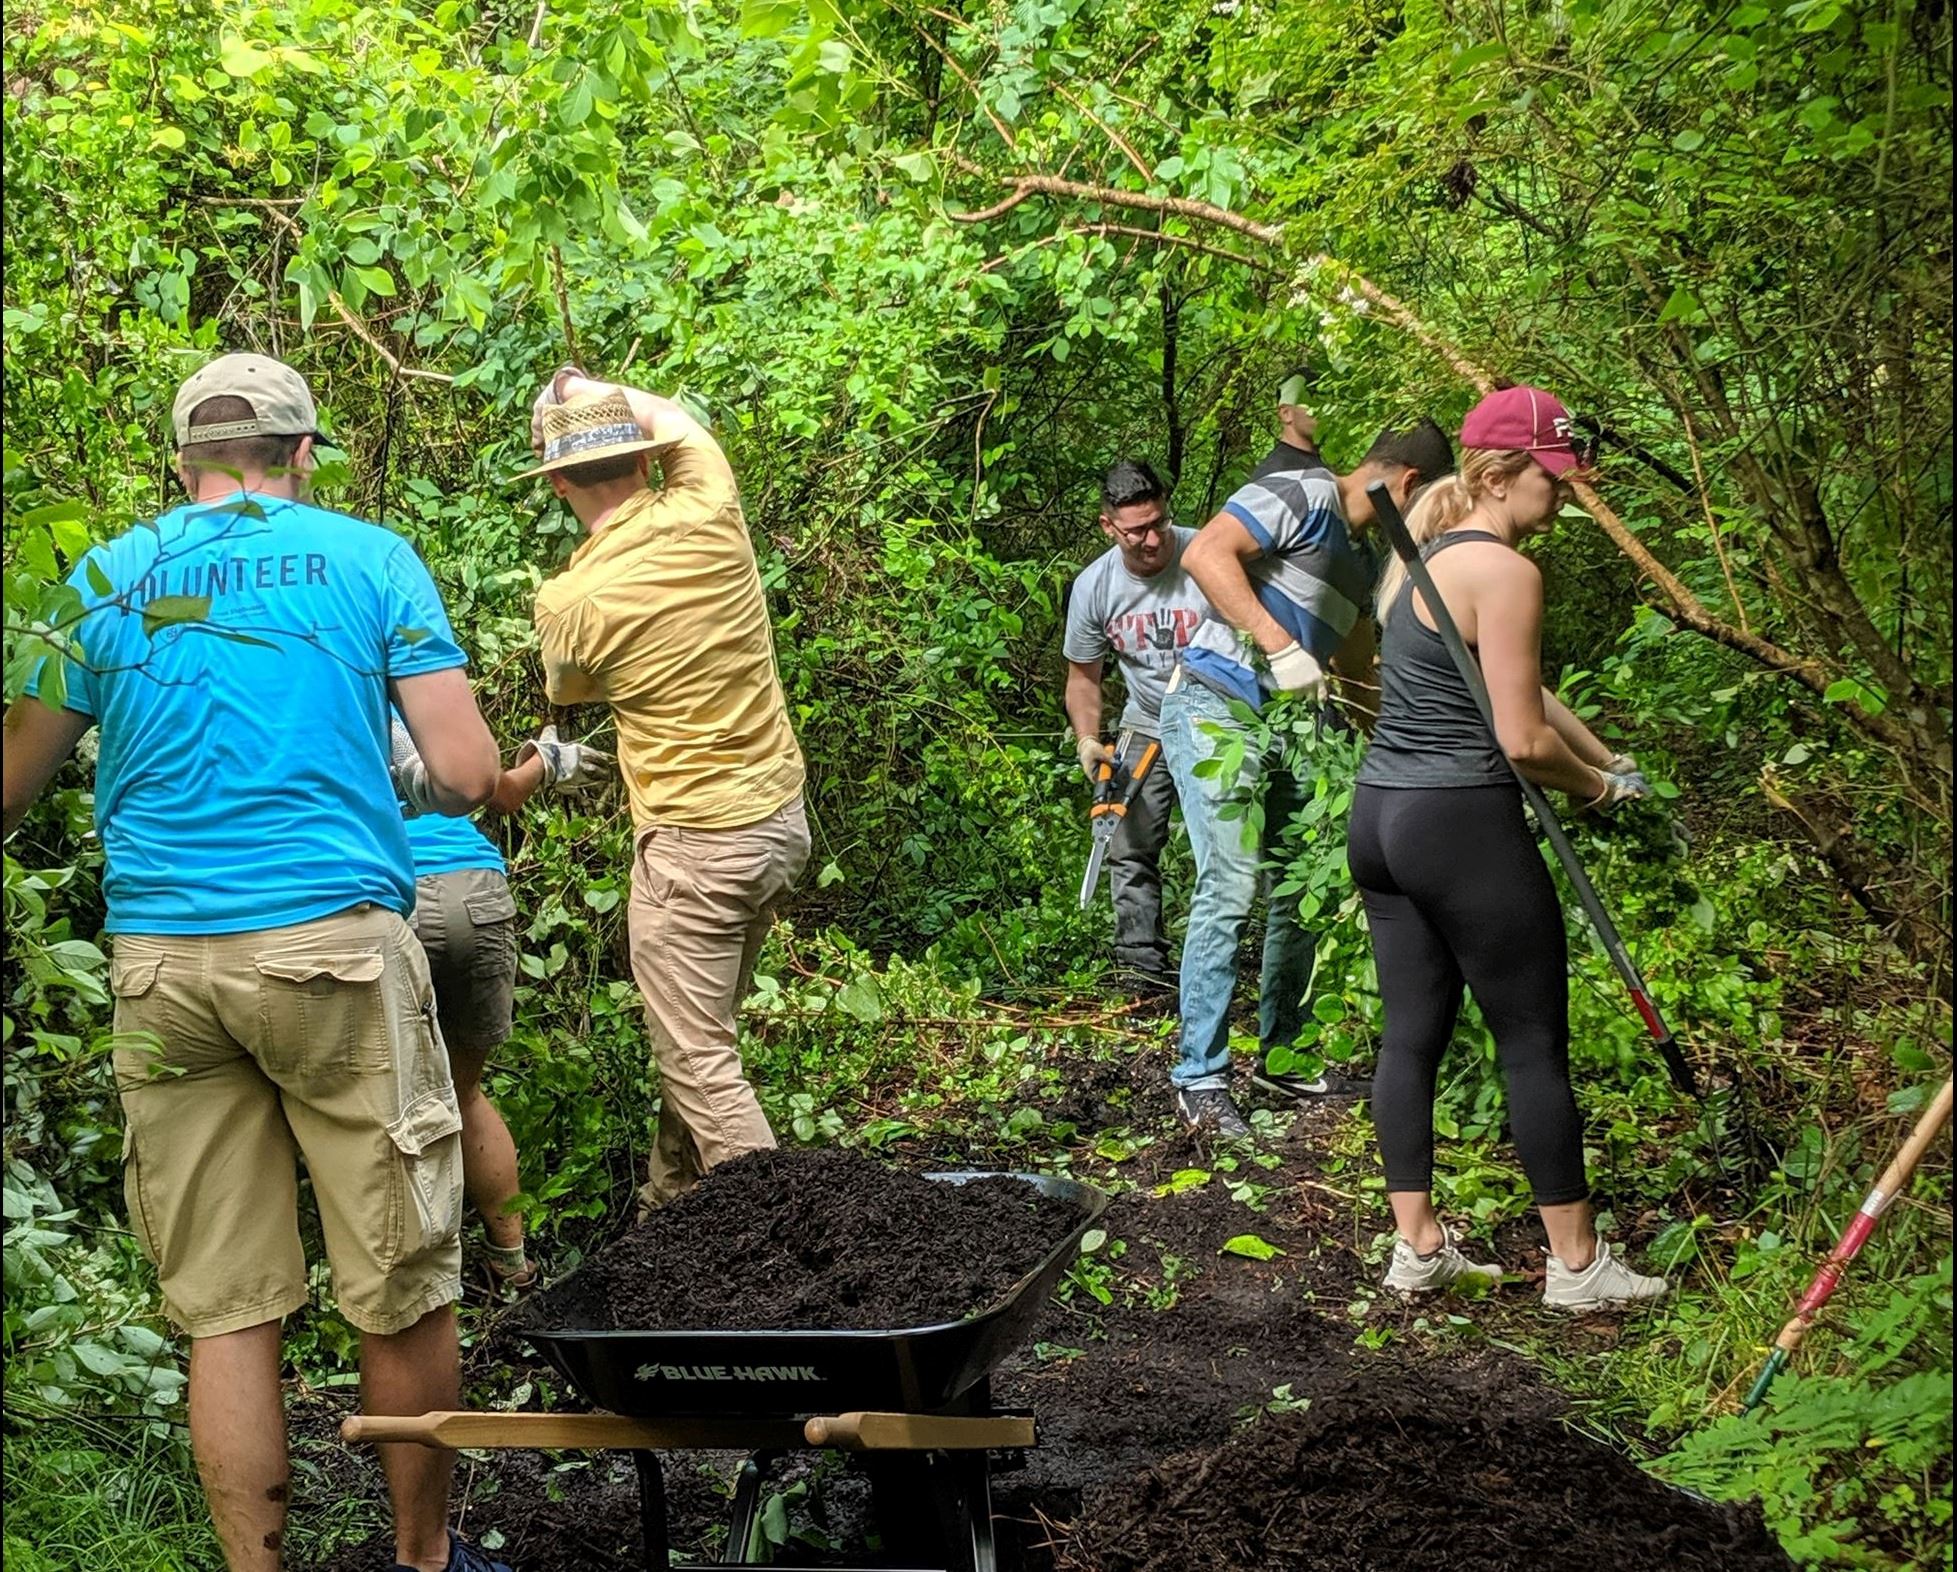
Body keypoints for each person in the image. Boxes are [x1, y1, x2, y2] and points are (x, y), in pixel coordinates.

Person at [0, 354, 511, 1572]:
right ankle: (423, 1561)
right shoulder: (367, 558)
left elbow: (12, 784)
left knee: (227, 1310)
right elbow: (470, 772)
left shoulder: (107, 576)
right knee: (399, 1276)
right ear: (304, 454)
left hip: (162, 973)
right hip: (332, 951)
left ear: (179, 464)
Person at [1350, 384, 1668, 1311]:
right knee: (1529, 1041)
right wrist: (1600, 789)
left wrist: (1606, 750)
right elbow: (1521, 738)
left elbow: (1512, 686)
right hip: (1457, 821)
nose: (1564, 495)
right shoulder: (1506, 571)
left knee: (1408, 1037)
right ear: (1499, 472)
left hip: (1380, 816)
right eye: (1553, 477)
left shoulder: (1422, 559)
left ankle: (1417, 1248)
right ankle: (1576, 1267)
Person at [521, 369, 810, 1211]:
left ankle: (794, 1239)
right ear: (647, 463)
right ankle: (670, 1211)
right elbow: (679, 419)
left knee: (699, 1064)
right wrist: (590, 386)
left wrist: (556, 414)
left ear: (557, 481)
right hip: (776, 826)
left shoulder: (569, 599)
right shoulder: (709, 510)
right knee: (698, 1042)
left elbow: (568, 692)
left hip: (692, 848)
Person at [1164, 390, 1455, 1137]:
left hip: (1294, 727)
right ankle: (1198, 1077)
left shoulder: (1360, 564)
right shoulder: (1304, 490)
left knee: (1301, 888)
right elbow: (1204, 553)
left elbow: (1360, 677)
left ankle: (1281, 1054)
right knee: (1228, 881)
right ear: (1410, 486)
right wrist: (1279, 644)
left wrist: (1418, 749)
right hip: (1212, 704)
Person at [389, 719, 613, 1292]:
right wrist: (545, 758)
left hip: (397, 895)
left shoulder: (325, 696)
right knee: (463, 1093)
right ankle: (510, 1264)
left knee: (388, 1099)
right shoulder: (422, 710)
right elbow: (505, 790)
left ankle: (409, 1276)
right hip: (478, 887)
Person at [1062, 459, 1213, 993]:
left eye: (1158, 524)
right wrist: (1087, 738)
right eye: (1135, 532)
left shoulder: (1208, 554)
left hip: (1216, 718)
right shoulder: (1095, 585)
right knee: (1126, 845)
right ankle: (1140, 969)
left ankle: (1213, 967)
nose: (1151, 539)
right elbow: (1084, 677)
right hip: (1145, 720)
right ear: (1109, 527)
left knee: (1219, 847)